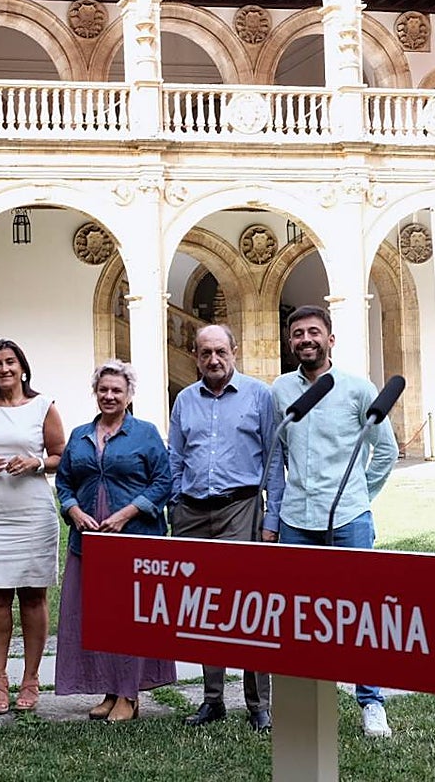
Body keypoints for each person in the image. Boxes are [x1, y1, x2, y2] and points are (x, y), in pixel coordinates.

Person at [269, 305, 399, 738]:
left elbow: (386, 451)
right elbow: (282, 451)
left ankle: (371, 701)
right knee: (298, 614)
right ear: (290, 343)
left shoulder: (359, 389)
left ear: (330, 339)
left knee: (360, 611)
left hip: (348, 519)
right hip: (297, 520)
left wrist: (359, 495)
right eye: (298, 334)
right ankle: (307, 704)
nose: (305, 339)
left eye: (314, 332)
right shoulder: (281, 390)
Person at [169, 325, 283, 733]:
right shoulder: (184, 399)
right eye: (205, 353)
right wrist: (175, 504)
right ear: (196, 355)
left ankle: (258, 704)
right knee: (203, 608)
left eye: (220, 351)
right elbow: (175, 457)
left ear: (235, 351)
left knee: (248, 607)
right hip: (193, 512)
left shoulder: (259, 396)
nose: (213, 360)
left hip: (242, 508)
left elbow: (273, 460)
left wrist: (271, 520)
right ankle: (212, 699)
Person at [55, 359, 175, 722]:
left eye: (116, 391)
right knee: (99, 616)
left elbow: (163, 482)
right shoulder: (79, 435)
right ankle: (110, 690)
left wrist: (127, 513)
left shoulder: (146, 433)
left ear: (129, 395)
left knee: (129, 617)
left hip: (134, 540)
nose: (109, 396)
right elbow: (64, 482)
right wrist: (73, 510)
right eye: (103, 390)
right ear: (96, 392)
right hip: (88, 543)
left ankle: (130, 694)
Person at [0, 339, 64, 714]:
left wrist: (35, 462)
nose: (4, 369)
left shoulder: (42, 405)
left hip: (32, 512)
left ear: (23, 368)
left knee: (34, 596)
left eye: (10, 362)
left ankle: (31, 678)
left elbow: (60, 457)